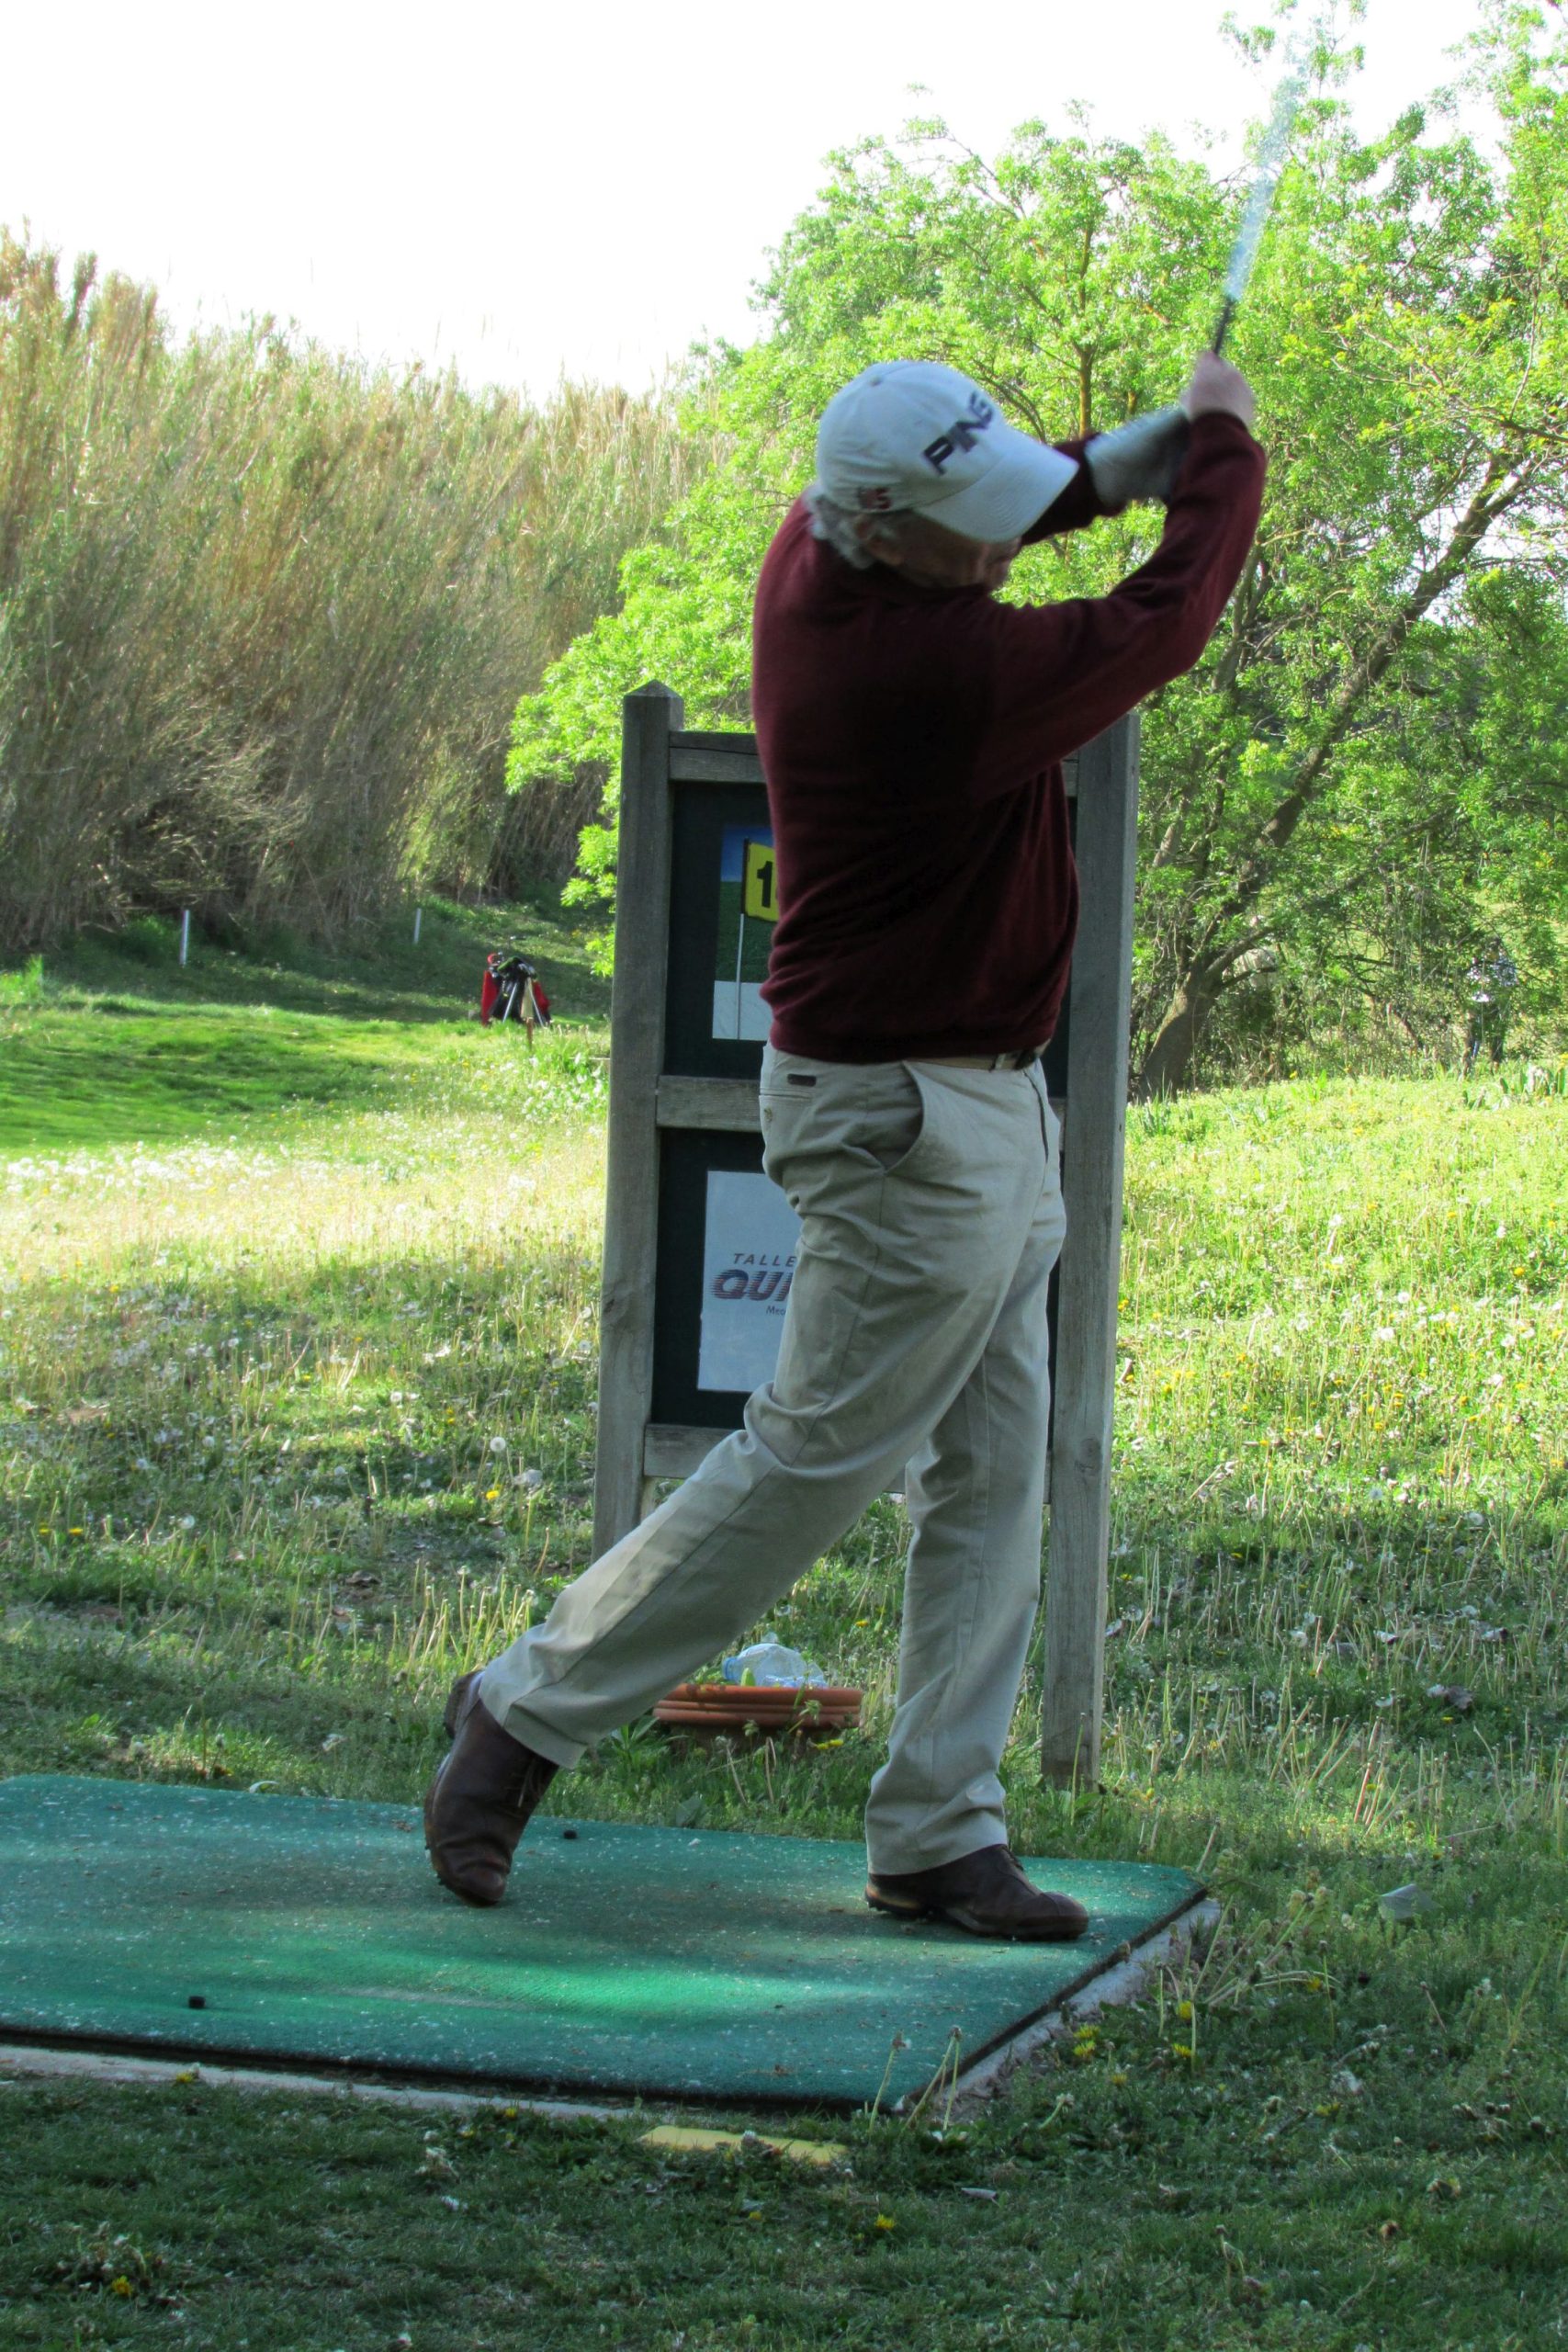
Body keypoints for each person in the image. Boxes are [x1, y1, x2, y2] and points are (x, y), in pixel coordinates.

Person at [425, 351, 1267, 1939]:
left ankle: (938, 1829)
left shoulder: (829, 542)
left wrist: (1138, 449)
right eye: (972, 520)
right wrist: (1221, 455)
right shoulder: (920, 675)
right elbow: (1162, 624)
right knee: (812, 1460)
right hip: (900, 1117)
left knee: (993, 1477)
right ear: (884, 529)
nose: (1001, 539)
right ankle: (522, 1712)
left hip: (984, 1101)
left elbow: (1029, 501)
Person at [1464, 936, 1517, 1070]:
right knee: (1473, 1035)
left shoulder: (1507, 964)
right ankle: (1467, 1066)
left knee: (1497, 1036)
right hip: (1478, 1003)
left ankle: (1495, 1067)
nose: (1488, 954)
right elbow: (1469, 983)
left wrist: (1499, 992)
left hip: (1497, 1004)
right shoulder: (1477, 962)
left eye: (1491, 951)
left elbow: (1511, 984)